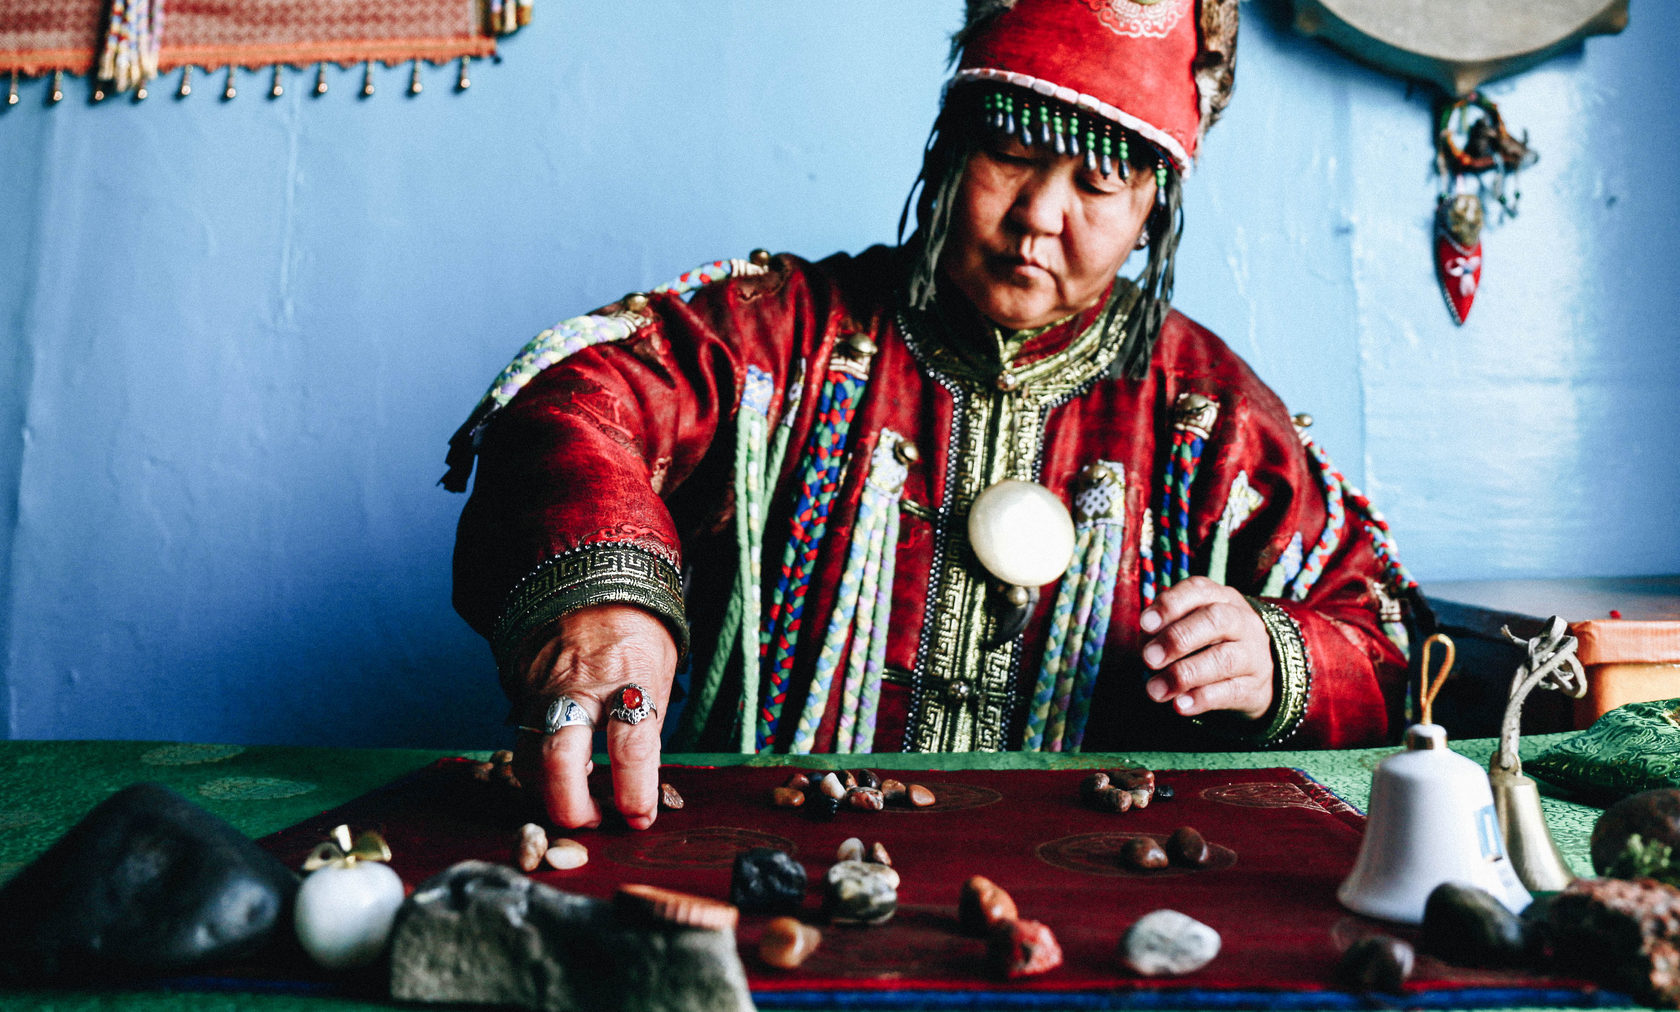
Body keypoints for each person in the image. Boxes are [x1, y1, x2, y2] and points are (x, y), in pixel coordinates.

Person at [445, 0, 1419, 832]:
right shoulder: (785, 333)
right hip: (763, 862)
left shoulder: (1210, 413)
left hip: (1099, 904)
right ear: (950, 149)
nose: (1041, 212)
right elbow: (575, 394)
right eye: (1011, 152)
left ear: (1154, 210)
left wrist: (1278, 658)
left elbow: (1382, 631)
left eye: (1096, 179)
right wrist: (608, 592)